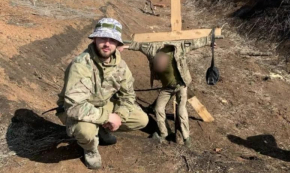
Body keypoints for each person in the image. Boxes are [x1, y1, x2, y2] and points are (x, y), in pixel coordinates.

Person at [56, 18, 149, 169]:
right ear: (94, 39)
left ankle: (103, 129)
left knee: (141, 119)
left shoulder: (121, 66)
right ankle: (90, 149)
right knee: (85, 131)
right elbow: (74, 106)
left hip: (103, 104)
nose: (107, 44)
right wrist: (107, 117)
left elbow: (128, 96)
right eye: (103, 38)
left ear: (118, 44)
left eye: (112, 40)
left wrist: (119, 116)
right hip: (77, 109)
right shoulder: (81, 65)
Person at [128, 37, 212, 148]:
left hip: (181, 85)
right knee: (158, 108)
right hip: (167, 88)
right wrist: (123, 45)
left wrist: (210, 41)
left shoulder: (178, 48)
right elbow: (138, 46)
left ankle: (187, 138)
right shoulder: (153, 50)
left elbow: (196, 43)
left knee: (181, 110)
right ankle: (164, 134)